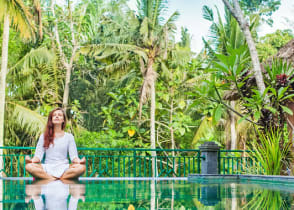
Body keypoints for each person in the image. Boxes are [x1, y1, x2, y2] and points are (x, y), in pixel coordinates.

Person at [25, 107, 86, 180]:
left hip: (64, 168)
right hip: (47, 167)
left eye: (59, 115)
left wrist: (80, 161)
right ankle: (58, 179)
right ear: (51, 119)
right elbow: (38, 156)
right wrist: (31, 161)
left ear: (63, 120)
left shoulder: (69, 137)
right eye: (54, 115)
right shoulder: (44, 136)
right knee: (28, 166)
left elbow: (74, 157)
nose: (57, 116)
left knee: (82, 168)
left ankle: (50, 178)